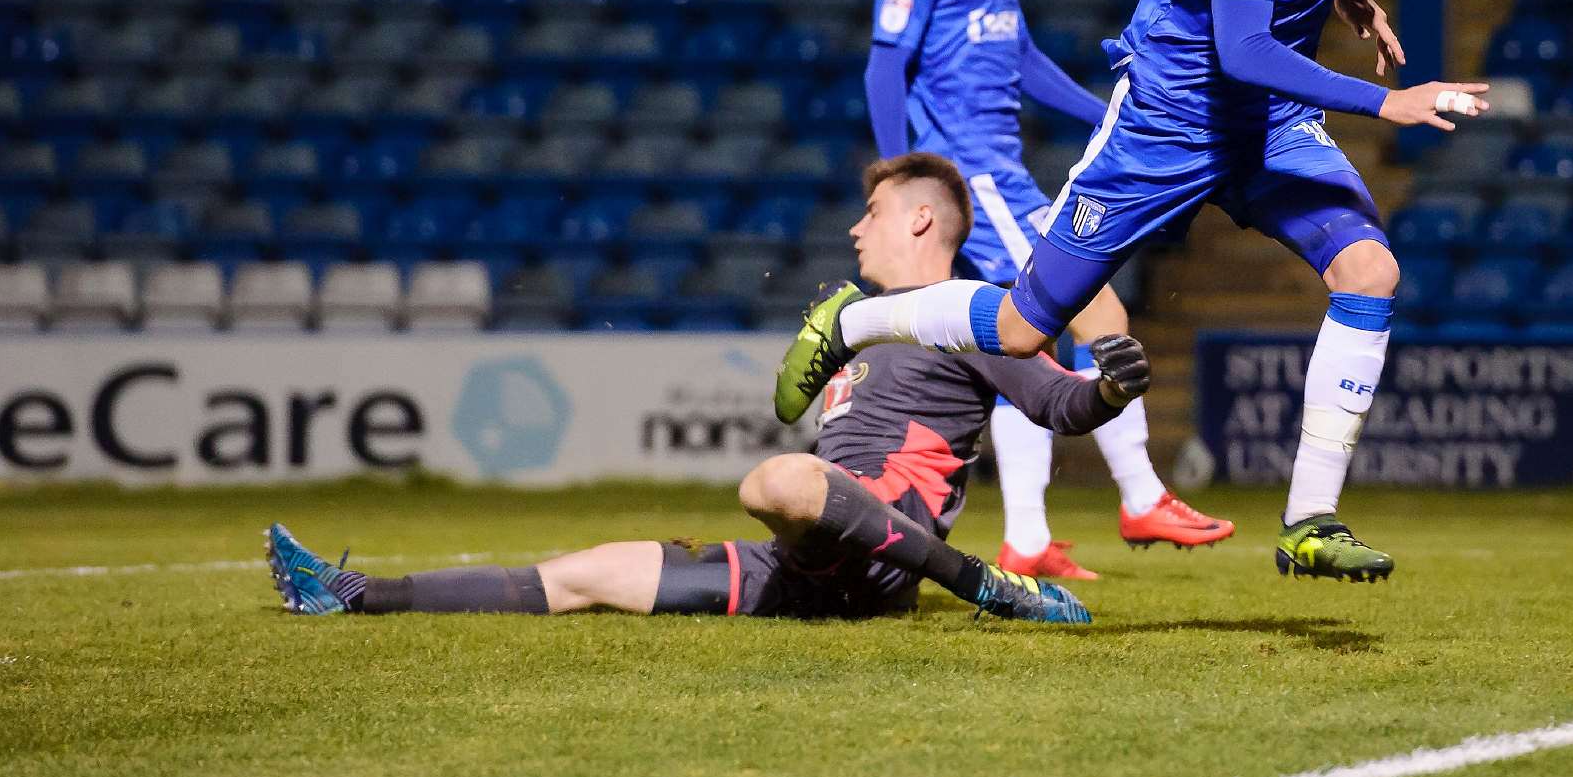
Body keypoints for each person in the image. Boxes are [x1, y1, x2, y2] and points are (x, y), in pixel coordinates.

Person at [775, 0, 1490, 583]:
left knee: (1370, 271)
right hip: (1173, 114)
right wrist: (1386, 102)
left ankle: (1309, 518)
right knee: (1020, 325)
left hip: (1266, 122)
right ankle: (853, 321)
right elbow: (1242, 48)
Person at [265, 153, 1151, 624]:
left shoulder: (970, 312)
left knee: (775, 480)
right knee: (586, 573)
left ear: (920, 217)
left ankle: (985, 584)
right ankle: (356, 594)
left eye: (871, 212)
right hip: (810, 564)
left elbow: (1058, 403)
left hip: (883, 553)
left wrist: (1107, 387)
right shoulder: (860, 323)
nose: (854, 229)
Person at [861, 0, 1231, 579]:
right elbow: (884, 62)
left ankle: (1026, 533)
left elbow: (1023, 62)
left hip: (999, 173)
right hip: (975, 176)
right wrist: (900, 176)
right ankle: (1138, 495)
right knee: (1094, 299)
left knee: (1022, 336)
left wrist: (1110, 110)